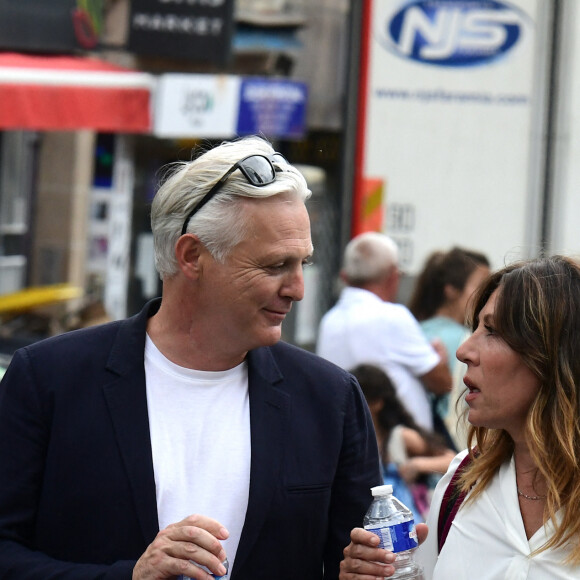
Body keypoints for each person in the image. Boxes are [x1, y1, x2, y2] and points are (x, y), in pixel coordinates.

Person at [0, 136, 381, 579]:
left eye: (303, 264)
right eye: (275, 266)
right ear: (192, 256)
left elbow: (353, 560)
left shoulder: (328, 398)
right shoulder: (49, 379)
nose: (297, 288)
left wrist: (378, 569)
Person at [340, 255, 580, 579]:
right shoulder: (463, 480)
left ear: (554, 357)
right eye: (475, 327)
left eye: (492, 331)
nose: (463, 350)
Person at [317, 232, 452, 432]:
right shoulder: (392, 317)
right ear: (392, 276)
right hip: (400, 450)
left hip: (346, 439)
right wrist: (440, 360)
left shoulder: (329, 322)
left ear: (345, 277)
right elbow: (442, 383)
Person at [350, 364, 455, 522]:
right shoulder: (356, 441)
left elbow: (452, 460)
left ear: (378, 403)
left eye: (358, 400)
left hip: (412, 526)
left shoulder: (400, 437)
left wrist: (417, 465)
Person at [408, 247, 490, 448]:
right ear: (451, 289)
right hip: (451, 453)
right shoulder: (466, 341)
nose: (487, 296)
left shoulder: (414, 331)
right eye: (480, 287)